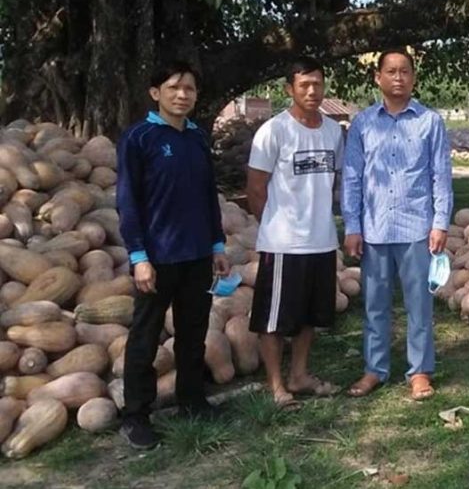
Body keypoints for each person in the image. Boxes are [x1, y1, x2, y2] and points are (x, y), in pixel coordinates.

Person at [116, 60, 231, 450]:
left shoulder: (197, 138)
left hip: (197, 255)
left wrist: (217, 245)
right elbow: (128, 203)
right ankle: (135, 416)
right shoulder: (139, 138)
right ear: (155, 93)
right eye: (174, 88)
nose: (183, 95)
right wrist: (138, 256)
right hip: (157, 257)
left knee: (193, 333)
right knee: (145, 338)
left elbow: (207, 197)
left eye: (190, 89)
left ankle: (192, 400)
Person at [342, 48, 453, 401]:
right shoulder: (362, 123)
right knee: (375, 304)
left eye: (405, 71)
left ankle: (419, 371)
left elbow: (441, 176)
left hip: (416, 228)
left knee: (418, 304)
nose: (398, 78)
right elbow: (352, 178)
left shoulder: (429, 122)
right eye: (391, 71)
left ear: (413, 78)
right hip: (374, 229)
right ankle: (375, 369)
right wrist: (352, 226)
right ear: (378, 77)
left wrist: (440, 223)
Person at [246, 56, 343, 409]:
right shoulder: (274, 131)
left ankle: (299, 375)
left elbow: (336, 181)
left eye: (317, 83)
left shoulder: (334, 132)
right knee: (273, 319)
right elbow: (256, 189)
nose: (312, 90)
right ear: (290, 89)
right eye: (304, 84)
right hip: (283, 244)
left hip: (321, 241)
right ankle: (276, 386)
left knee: (309, 316)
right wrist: (273, 226)